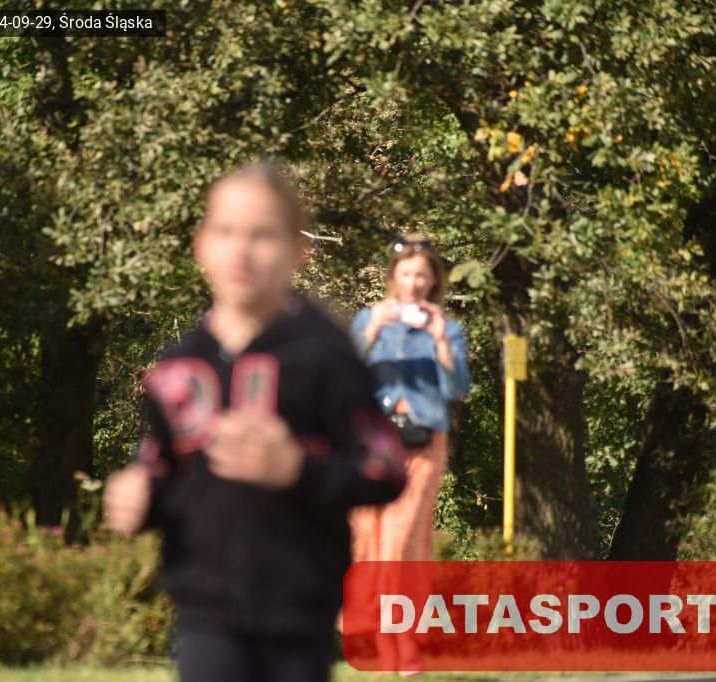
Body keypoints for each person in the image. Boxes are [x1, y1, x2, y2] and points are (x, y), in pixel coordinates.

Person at [102, 162, 408, 682]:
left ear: (297, 251)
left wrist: (297, 469)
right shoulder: (179, 366)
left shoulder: (325, 356)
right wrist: (140, 495)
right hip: (204, 613)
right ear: (201, 245)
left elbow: (386, 469)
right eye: (225, 232)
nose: (241, 251)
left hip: (299, 612)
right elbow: (163, 469)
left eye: (262, 235)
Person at [345, 234, 471, 674]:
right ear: (393, 277)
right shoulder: (369, 319)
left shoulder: (447, 328)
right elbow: (343, 376)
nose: (414, 282)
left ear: (433, 281)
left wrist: (439, 341)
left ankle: (396, 642)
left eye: (422, 275)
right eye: (406, 274)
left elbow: (458, 388)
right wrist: (372, 330)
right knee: (372, 532)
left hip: (424, 442)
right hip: (374, 441)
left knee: (401, 535)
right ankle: (394, 634)